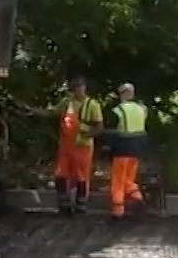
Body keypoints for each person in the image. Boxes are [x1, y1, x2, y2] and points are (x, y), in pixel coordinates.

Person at [53, 76, 102, 214]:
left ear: (84, 87)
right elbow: (53, 113)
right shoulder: (67, 102)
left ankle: (81, 204)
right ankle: (64, 203)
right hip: (66, 145)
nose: (77, 91)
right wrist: (33, 110)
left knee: (82, 176)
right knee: (61, 174)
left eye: (79, 87)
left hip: (83, 145)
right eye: (74, 88)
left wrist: (85, 136)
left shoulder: (92, 105)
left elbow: (98, 127)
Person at [106, 83, 150, 221]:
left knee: (118, 180)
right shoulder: (141, 109)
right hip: (136, 150)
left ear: (123, 94)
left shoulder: (119, 110)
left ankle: (118, 211)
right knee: (128, 179)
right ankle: (137, 198)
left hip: (122, 149)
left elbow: (114, 130)